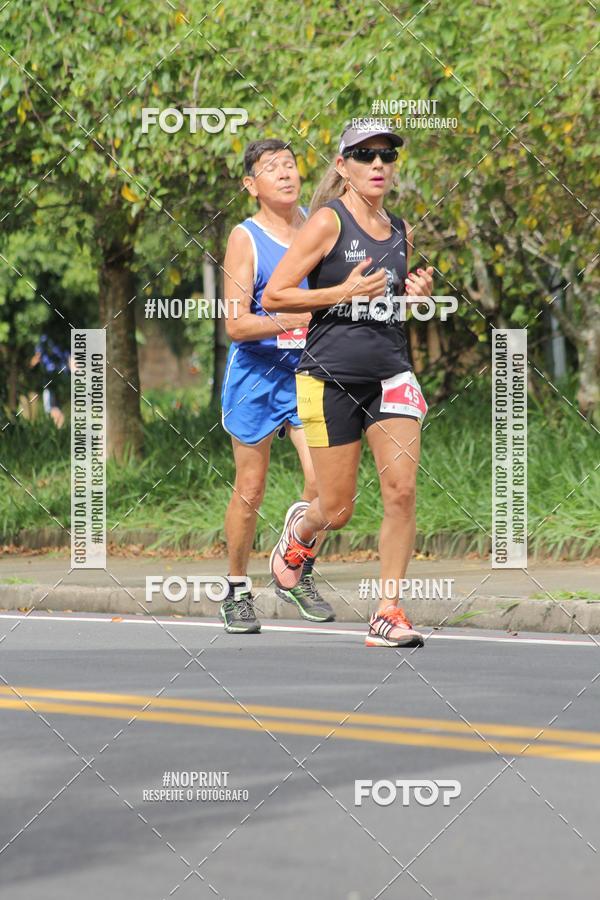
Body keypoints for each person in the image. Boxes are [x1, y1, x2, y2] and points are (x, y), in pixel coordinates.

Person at [262, 121, 434, 648]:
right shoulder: (326, 224)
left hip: (391, 373)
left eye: (387, 155)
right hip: (328, 376)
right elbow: (275, 296)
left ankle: (388, 611)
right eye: (365, 155)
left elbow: (393, 308)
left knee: (401, 491)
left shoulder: (400, 228)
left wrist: (416, 299)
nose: (378, 164)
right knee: (337, 508)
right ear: (343, 166)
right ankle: (302, 532)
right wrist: (342, 292)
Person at [220, 138, 334, 634]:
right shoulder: (244, 238)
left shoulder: (317, 227)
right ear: (252, 185)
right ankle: (236, 588)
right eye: (272, 169)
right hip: (254, 376)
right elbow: (237, 326)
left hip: (306, 371)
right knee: (250, 489)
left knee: (325, 486)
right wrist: (293, 320)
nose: (286, 174)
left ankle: (295, 565)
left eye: (290, 165)